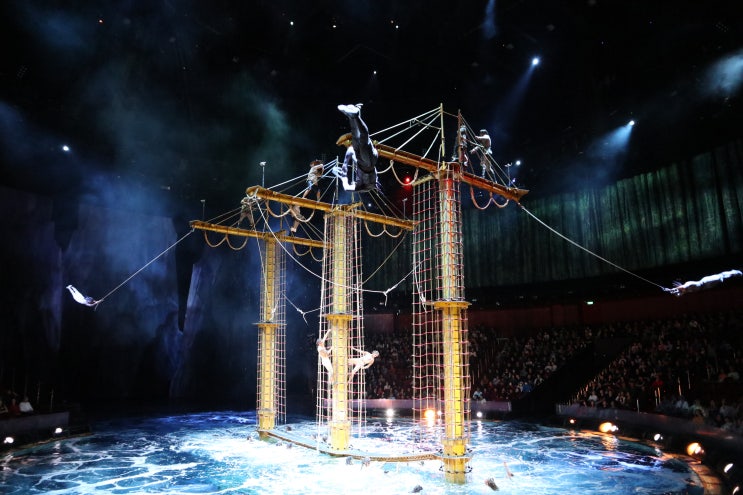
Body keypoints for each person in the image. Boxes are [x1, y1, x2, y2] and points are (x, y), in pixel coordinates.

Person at [335, 103, 378, 192]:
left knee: (356, 135)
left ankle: (352, 115)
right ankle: (356, 115)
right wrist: (343, 176)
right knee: (363, 139)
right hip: (368, 163)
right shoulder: (365, 187)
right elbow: (347, 188)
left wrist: (343, 174)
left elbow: (350, 152)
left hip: (363, 161)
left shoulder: (360, 184)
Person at [291, 160, 324, 233]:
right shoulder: (313, 168)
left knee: (318, 191)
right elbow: (321, 166)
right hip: (310, 181)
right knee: (309, 189)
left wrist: (322, 171)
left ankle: (318, 200)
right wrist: (322, 165)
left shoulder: (315, 171)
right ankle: (294, 228)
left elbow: (320, 175)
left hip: (314, 183)